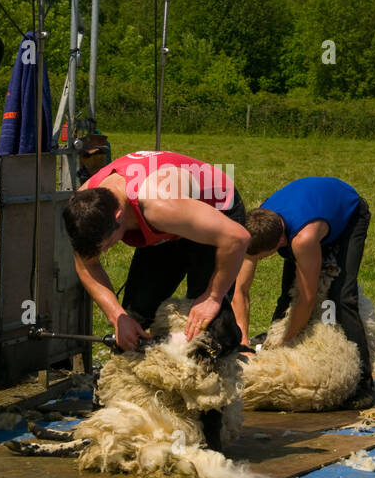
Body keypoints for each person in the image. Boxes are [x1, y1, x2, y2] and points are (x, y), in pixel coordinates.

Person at [61, 150, 250, 448]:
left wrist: (213, 297)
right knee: (135, 320)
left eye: (107, 244)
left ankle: (209, 435)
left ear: (119, 217)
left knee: (209, 329)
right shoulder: (85, 202)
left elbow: (237, 237)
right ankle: (113, 424)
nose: (105, 251)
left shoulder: (158, 205)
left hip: (216, 216)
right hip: (169, 224)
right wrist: (117, 316)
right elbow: (85, 262)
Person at [234, 175, 374, 407]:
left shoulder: (303, 239)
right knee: (288, 293)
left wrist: (286, 342)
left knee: (340, 296)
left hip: (348, 213)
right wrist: (243, 342)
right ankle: (270, 351)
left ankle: (363, 383)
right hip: (308, 214)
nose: (257, 260)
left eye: (261, 257)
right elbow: (240, 289)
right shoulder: (257, 224)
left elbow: (307, 299)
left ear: (280, 242)